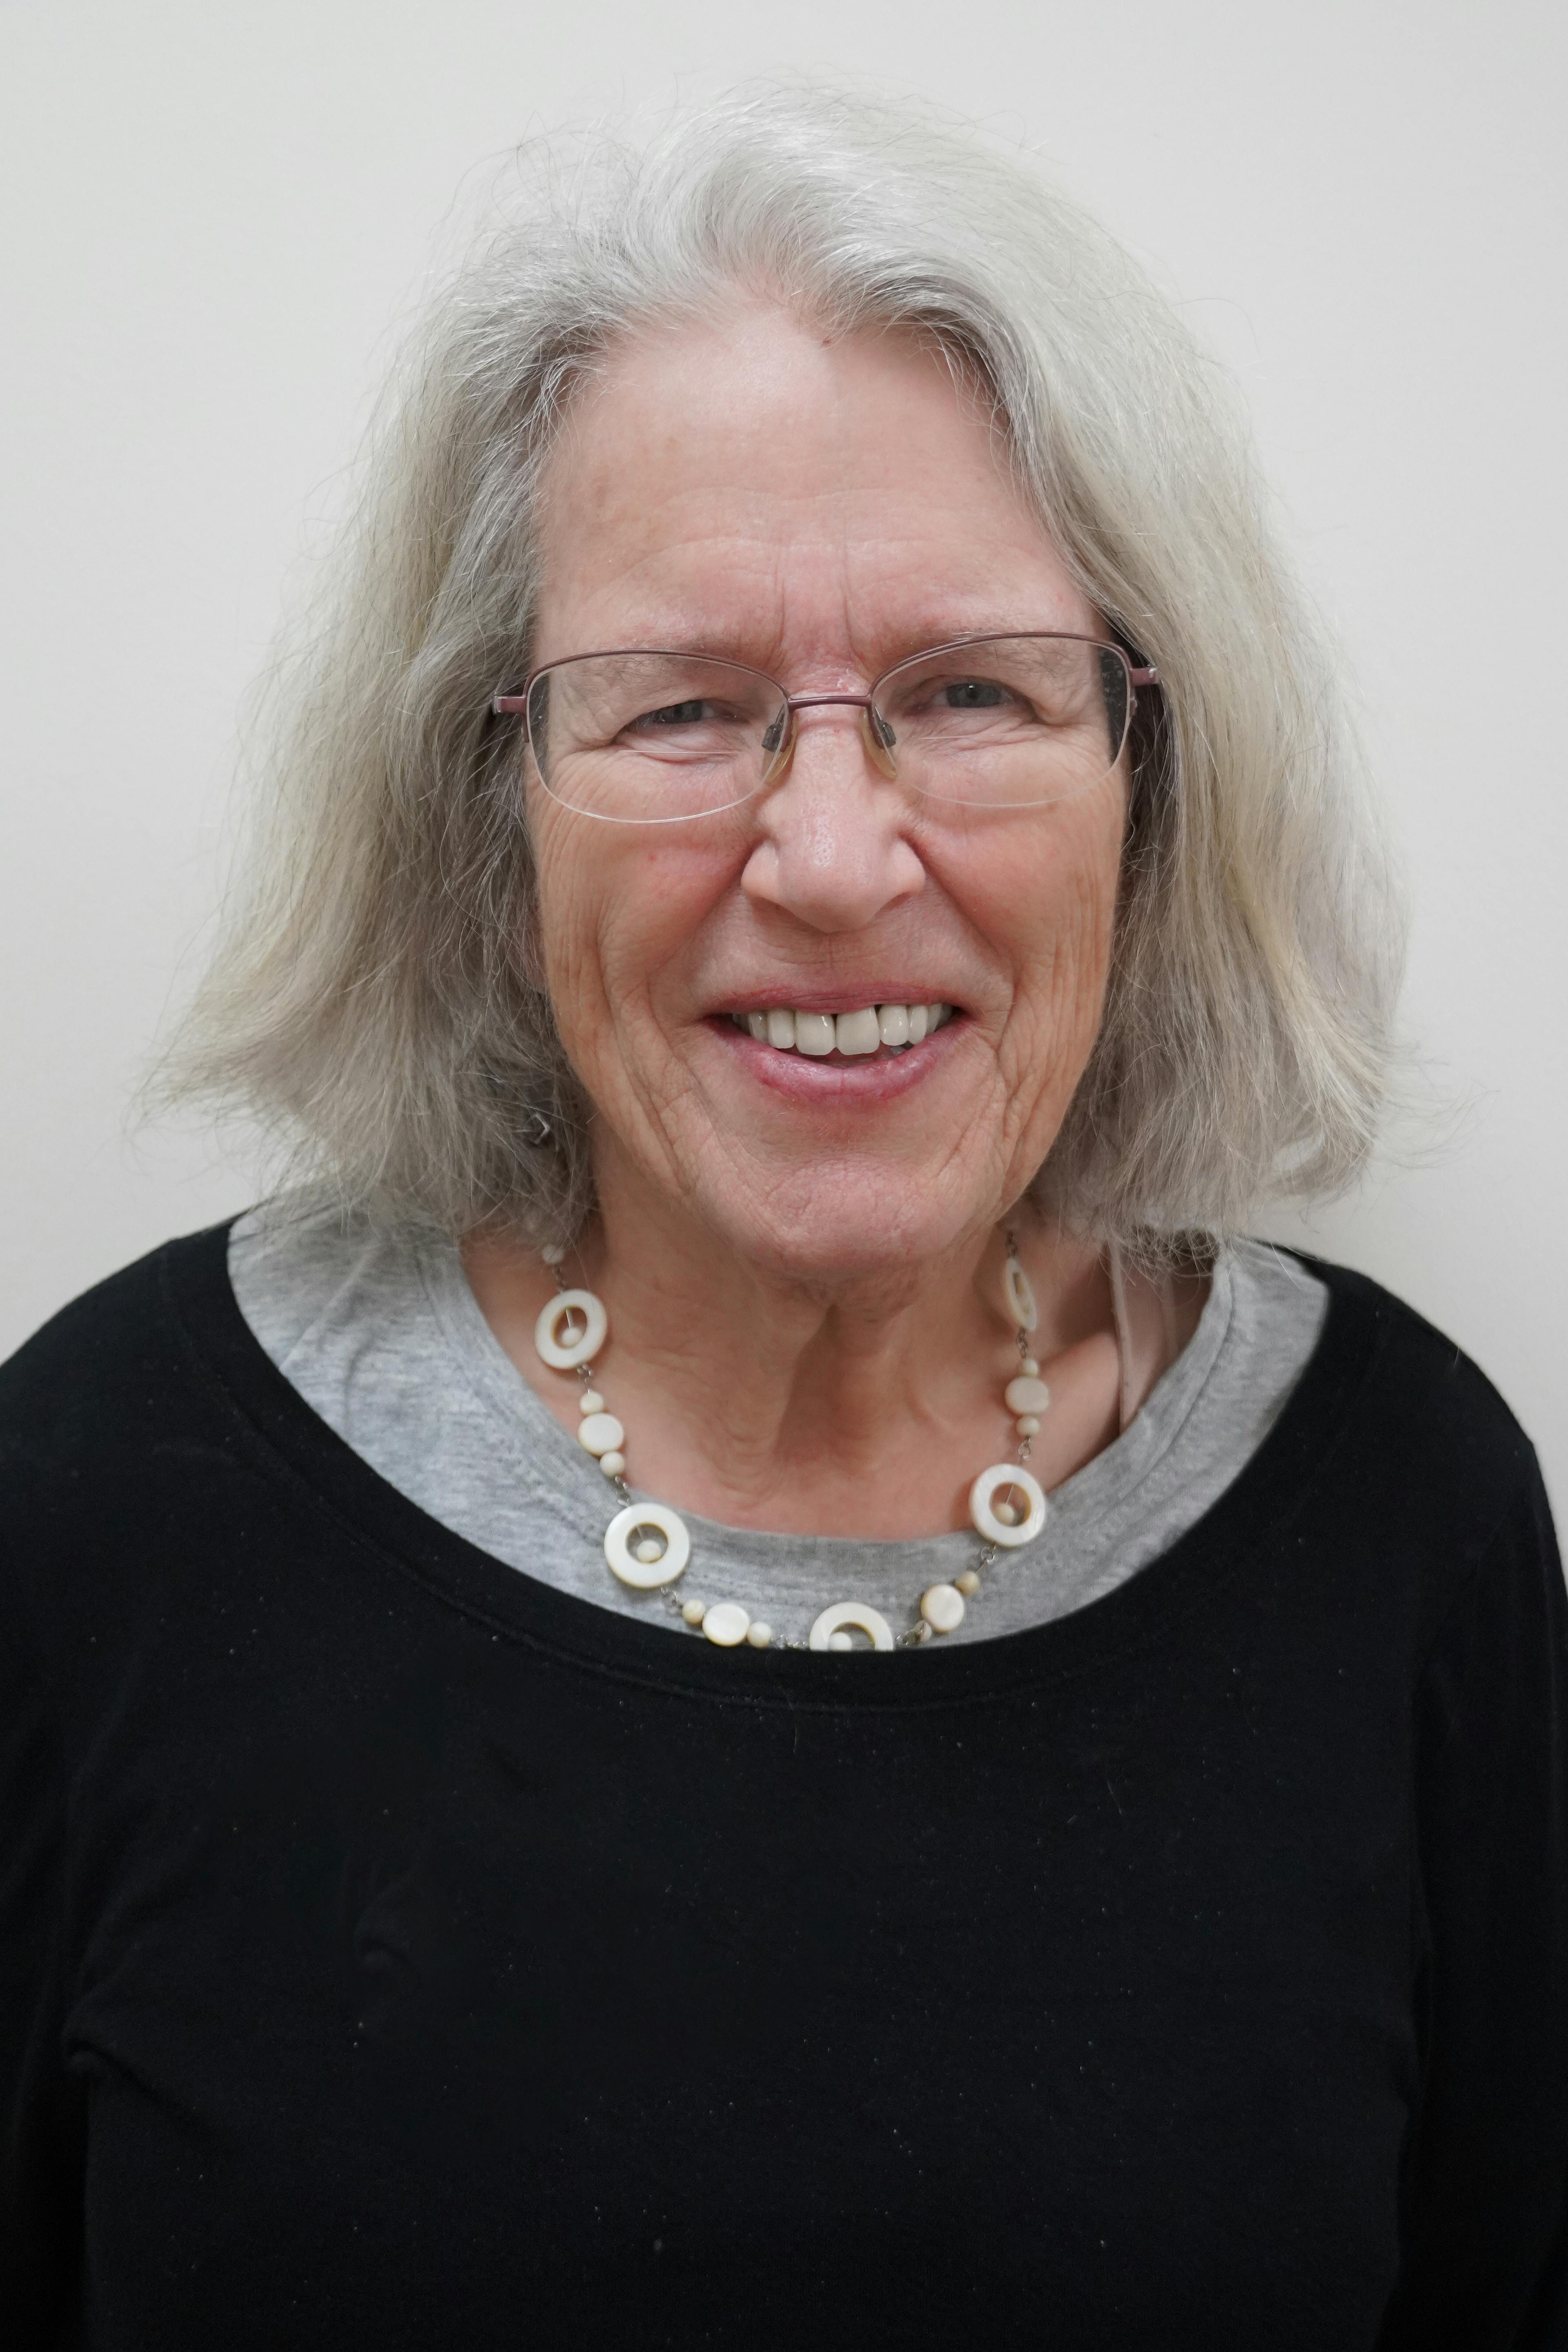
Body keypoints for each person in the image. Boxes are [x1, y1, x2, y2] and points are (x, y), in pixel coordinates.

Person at [3, 87, 1564, 2349]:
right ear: (489, 808)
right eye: (682, 708)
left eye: (971, 691)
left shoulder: (1406, 1518)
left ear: (1152, 787)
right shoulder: (102, 1508)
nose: (831, 859)